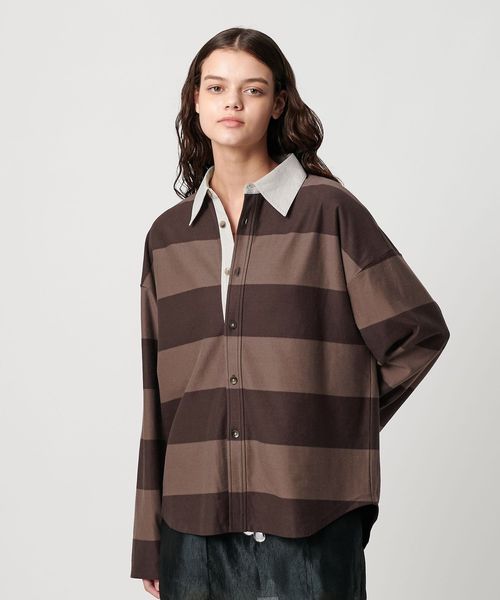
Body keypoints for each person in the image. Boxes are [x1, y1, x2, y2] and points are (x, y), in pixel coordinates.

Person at [130, 27, 450, 600]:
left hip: (311, 517)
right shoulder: (168, 237)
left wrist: (330, 421)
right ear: (196, 101)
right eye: (216, 87)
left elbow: (416, 333)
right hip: (192, 529)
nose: (232, 102)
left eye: (252, 89)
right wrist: (149, 541)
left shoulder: (330, 213)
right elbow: (157, 400)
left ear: (278, 104)